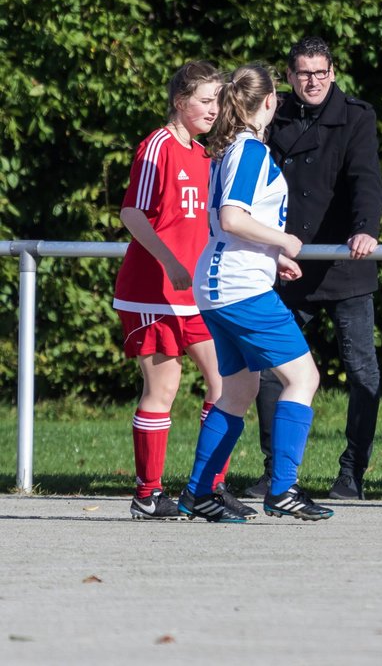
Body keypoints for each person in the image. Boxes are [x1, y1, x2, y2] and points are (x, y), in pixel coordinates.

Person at [180, 64, 333, 522]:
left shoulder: (231, 150)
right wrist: (285, 241)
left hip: (223, 284)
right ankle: (283, 489)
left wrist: (273, 253)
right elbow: (231, 217)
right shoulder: (248, 151)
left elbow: (233, 226)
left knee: (238, 390)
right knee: (303, 379)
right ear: (270, 102)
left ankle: (198, 492)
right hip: (239, 288)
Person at [113, 61, 255, 520]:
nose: (215, 109)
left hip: (195, 293)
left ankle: (207, 488)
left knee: (227, 385)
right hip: (151, 290)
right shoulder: (158, 146)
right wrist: (170, 261)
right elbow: (132, 214)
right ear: (180, 101)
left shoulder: (203, 154)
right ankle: (148, 494)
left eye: (218, 100)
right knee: (164, 388)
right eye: (206, 100)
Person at [248, 36, 382, 501]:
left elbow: (366, 178)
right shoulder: (274, 114)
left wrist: (366, 229)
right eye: (305, 73)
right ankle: (275, 471)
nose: (314, 81)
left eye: (321, 72)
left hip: (347, 266)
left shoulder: (356, 116)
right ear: (289, 75)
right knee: (272, 370)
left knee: (362, 370)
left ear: (333, 72)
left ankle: (353, 473)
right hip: (290, 264)